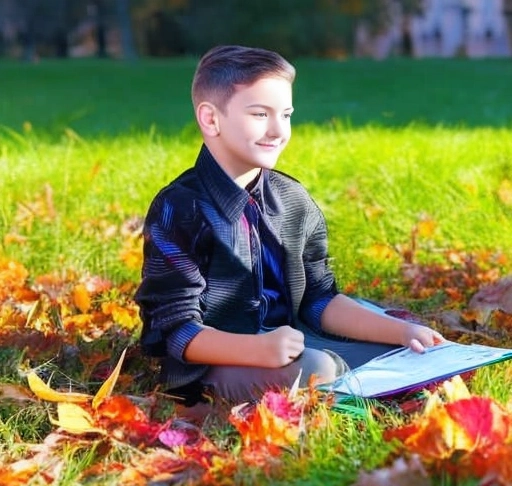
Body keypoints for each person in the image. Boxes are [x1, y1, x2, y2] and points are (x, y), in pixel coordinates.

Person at [134, 44, 444, 411]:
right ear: (211, 119)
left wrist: (401, 332)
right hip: (220, 359)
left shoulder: (293, 199)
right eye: (260, 114)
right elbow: (175, 328)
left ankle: (374, 377)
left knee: (408, 350)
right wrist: (259, 349)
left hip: (295, 339)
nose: (278, 130)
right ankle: (349, 392)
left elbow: (319, 299)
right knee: (319, 369)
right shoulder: (179, 207)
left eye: (287, 114)